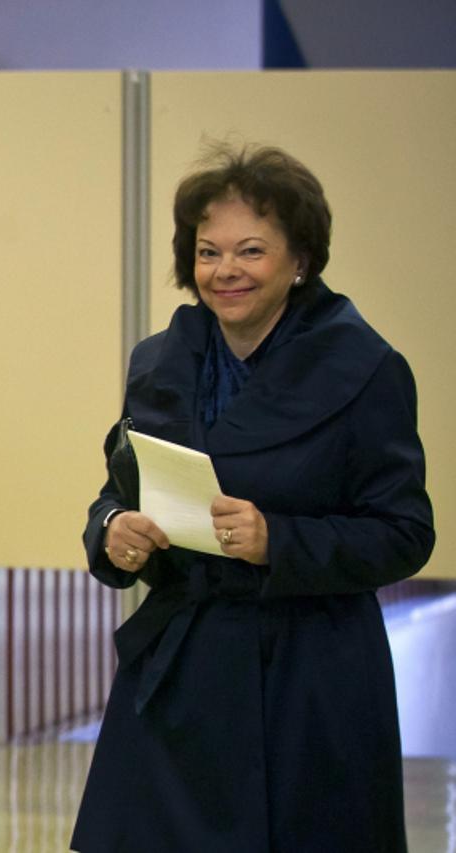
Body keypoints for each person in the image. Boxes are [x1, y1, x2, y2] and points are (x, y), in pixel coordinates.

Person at [70, 144, 434, 852]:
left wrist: (279, 540)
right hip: (180, 667)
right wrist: (112, 532)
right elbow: (118, 487)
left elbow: (403, 530)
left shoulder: (364, 368)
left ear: (300, 260)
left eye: (250, 251)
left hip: (307, 678)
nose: (225, 271)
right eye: (208, 252)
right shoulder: (159, 360)